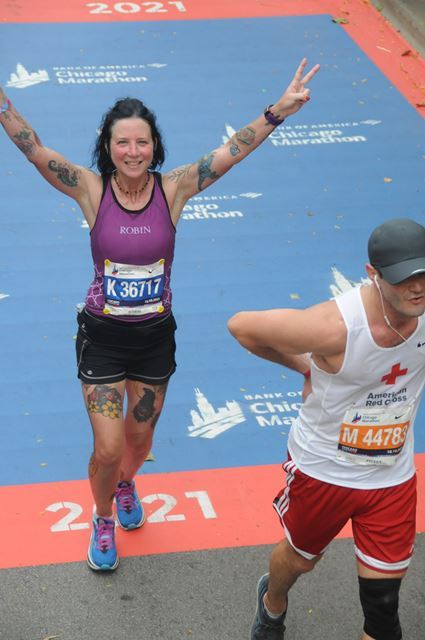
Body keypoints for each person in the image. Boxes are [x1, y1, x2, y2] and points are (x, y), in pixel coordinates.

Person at [0, 58, 319, 571]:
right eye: (122, 142)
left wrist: (279, 111)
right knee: (107, 446)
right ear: (108, 146)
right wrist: (2, 104)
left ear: (155, 146)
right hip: (102, 338)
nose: (132, 151)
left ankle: (127, 485)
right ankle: (103, 515)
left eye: (141, 142)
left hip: (153, 340)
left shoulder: (175, 188)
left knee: (140, 437)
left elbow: (231, 152)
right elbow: (34, 149)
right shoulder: (90, 188)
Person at [227, 217, 425, 640]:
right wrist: (303, 367)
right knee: (299, 561)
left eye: (424, 274)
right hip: (323, 470)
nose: (417, 288)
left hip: (390, 477)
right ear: (373, 276)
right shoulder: (334, 327)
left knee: (384, 610)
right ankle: (272, 601)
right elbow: (241, 326)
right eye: (404, 279)